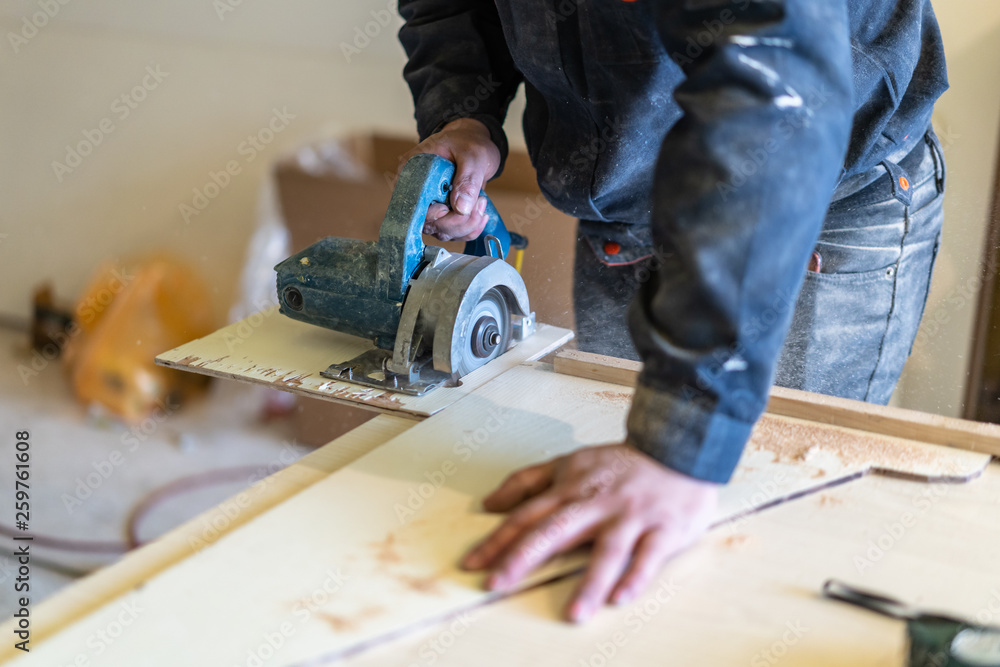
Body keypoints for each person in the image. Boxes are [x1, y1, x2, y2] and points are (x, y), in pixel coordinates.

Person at [396, 0, 948, 622]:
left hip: (815, 192)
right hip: (625, 194)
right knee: (622, 536)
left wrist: (684, 435)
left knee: (764, 563)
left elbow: (776, 100)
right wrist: (465, 111)